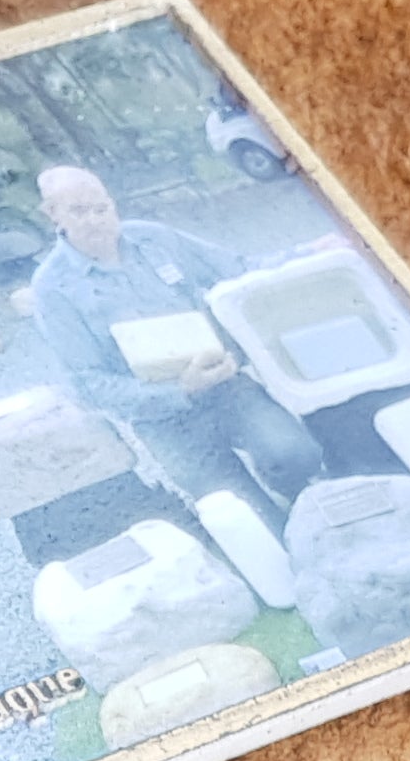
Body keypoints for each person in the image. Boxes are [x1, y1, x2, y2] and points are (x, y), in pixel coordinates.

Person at [23, 165, 325, 516]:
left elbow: (237, 268)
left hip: (227, 388)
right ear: (53, 215)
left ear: (112, 204)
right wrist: (180, 390)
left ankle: (295, 501)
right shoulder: (51, 289)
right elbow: (87, 384)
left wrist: (309, 253)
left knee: (297, 455)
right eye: (78, 211)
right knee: (234, 514)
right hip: (164, 422)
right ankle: (270, 523)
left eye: (101, 208)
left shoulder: (153, 239)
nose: (94, 220)